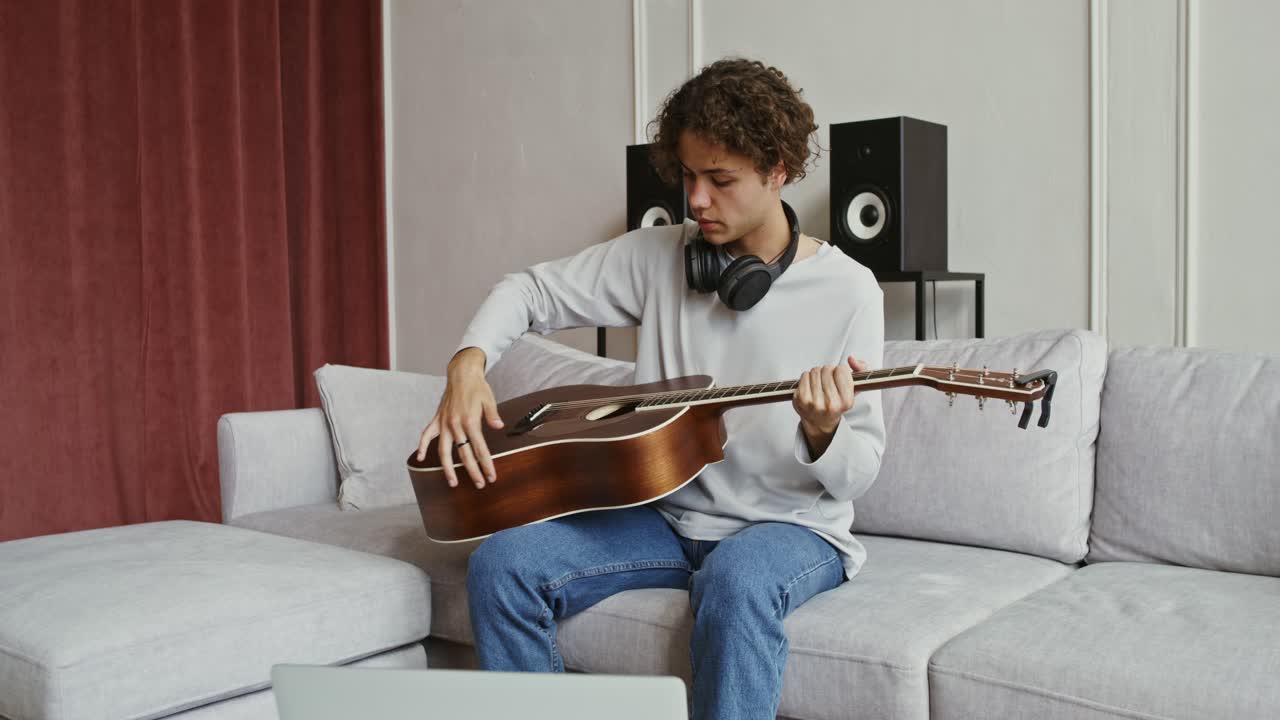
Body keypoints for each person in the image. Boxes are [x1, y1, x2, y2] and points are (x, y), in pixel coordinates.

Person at [415, 57, 886, 720]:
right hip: (662, 518)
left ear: (778, 170)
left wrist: (824, 430)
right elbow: (529, 291)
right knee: (503, 565)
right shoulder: (658, 255)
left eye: (720, 180)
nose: (697, 200)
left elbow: (859, 473)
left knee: (736, 580)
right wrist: (467, 366)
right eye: (688, 176)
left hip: (791, 529)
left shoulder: (850, 290)